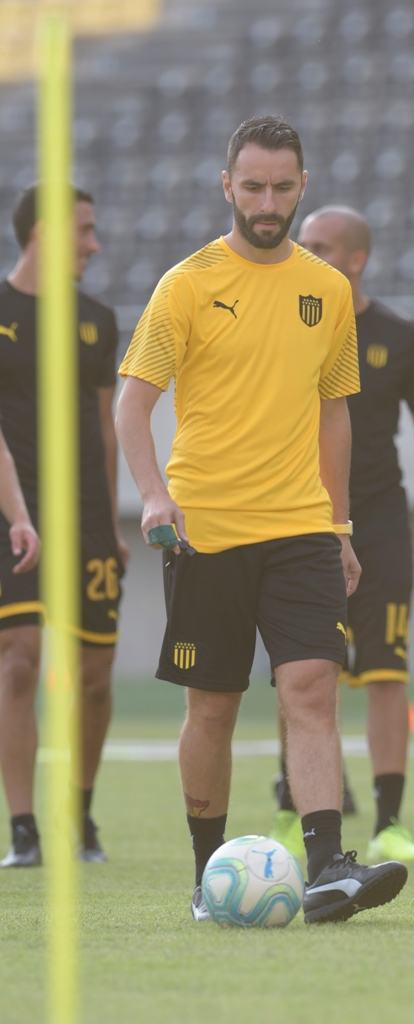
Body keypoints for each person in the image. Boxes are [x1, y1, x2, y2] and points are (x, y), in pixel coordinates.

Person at [116, 115, 408, 924]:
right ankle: (210, 876)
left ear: (301, 186)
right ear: (227, 187)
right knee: (212, 706)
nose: (267, 201)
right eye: (253, 187)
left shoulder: (327, 288)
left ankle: (325, 868)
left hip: (302, 528)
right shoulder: (187, 284)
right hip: (206, 529)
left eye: (282, 187)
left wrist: (341, 528)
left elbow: (334, 416)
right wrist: (152, 494)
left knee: (311, 686)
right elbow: (132, 405)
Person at [268, 206, 414, 865]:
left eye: (320, 246)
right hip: (298, 518)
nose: (306, 253)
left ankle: (389, 823)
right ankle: (289, 811)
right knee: (298, 670)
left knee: (386, 672)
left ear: (356, 259)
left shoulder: (400, 337)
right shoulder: (284, 327)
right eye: (303, 245)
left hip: (381, 523)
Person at [0, 185, 128, 868]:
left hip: (85, 522)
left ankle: (78, 813)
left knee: (97, 676)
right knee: (18, 661)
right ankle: (23, 829)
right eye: (83, 230)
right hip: (11, 519)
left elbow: (106, 429)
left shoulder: (97, 320)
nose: (93, 244)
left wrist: (110, 524)